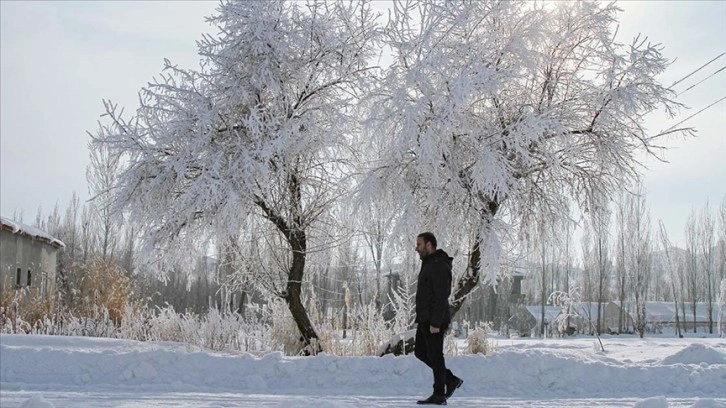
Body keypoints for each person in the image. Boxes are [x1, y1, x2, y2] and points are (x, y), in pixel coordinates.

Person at [413, 232, 463, 405]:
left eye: (419, 244)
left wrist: (435, 322)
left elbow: (442, 296)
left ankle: (439, 394)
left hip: (434, 320)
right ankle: (449, 380)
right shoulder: (429, 264)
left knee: (435, 355)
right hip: (425, 318)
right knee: (420, 352)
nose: (416, 248)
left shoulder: (438, 265)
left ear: (429, 245)